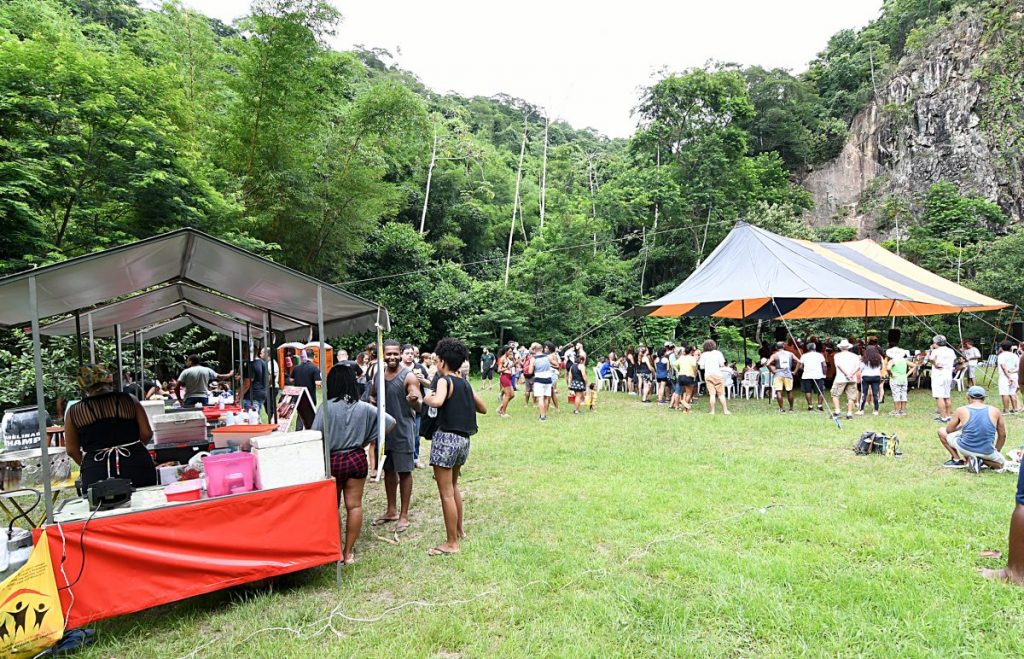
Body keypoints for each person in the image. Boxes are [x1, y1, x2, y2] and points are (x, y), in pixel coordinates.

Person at [311, 362, 395, 564]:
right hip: (357, 459)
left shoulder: (326, 408)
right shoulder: (363, 407)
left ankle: (336, 551)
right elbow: (390, 422)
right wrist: (368, 438)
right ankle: (349, 553)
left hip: (333, 460)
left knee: (333, 508)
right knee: (354, 506)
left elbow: (314, 434)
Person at [422, 338, 486, 556]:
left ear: (441, 362)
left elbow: (438, 401)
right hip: (463, 441)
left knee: (446, 493)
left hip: (446, 440)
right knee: (454, 486)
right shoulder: (465, 383)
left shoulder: (443, 380)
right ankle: (459, 531)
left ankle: (451, 543)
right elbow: (483, 408)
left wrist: (426, 397)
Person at [64, 364, 157, 491]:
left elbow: (71, 450)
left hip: (96, 470)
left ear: (83, 386)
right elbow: (146, 433)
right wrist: (132, 449)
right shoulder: (130, 400)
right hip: (135, 463)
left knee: (102, 508)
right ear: (108, 379)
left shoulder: (73, 412)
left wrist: (92, 464)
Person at [369, 339, 422, 534]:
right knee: (389, 471)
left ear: (400, 354)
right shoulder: (378, 375)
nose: (392, 357)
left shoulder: (408, 376)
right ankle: (391, 510)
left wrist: (413, 401)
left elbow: (419, 404)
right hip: (384, 434)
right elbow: (373, 396)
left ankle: (404, 515)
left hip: (402, 432)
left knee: (405, 472)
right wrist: (373, 403)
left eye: (395, 353)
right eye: (388, 354)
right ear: (383, 355)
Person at [938, 386, 1006, 472]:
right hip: (987, 451)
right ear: (984, 398)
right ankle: (981, 460)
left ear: (967, 397)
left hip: (965, 448)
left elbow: (948, 430)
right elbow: (1002, 435)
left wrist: (961, 425)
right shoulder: (995, 411)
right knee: (1001, 465)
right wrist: (996, 451)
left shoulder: (961, 410)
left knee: (941, 431)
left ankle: (957, 459)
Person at [404, 344, 431, 468]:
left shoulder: (420, 367)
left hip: (417, 406)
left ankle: (415, 458)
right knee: (403, 433)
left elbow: (430, 384)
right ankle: (404, 458)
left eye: (412, 353)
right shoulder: (398, 369)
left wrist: (422, 380)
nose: (410, 355)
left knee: (416, 434)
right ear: (401, 354)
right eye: (407, 353)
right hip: (402, 405)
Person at [528, 342, 559, 422]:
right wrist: (550, 365)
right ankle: (544, 414)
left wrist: (533, 367)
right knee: (546, 398)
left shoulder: (533, 358)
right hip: (548, 379)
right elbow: (557, 365)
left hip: (539, 379)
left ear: (534, 350)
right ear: (541, 349)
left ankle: (542, 417)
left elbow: (530, 372)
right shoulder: (548, 357)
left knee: (540, 398)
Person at [928, 335, 957, 423]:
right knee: (947, 395)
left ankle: (943, 417)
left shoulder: (936, 351)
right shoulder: (950, 351)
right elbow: (954, 360)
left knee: (939, 396)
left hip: (938, 375)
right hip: (948, 374)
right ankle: (948, 416)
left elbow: (931, 359)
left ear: (936, 343)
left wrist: (931, 353)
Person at [291, 350, 322, 430]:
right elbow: (318, 383)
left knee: (300, 414)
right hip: (309, 396)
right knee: (310, 416)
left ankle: (298, 430)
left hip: (298, 396)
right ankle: (311, 431)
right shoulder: (314, 368)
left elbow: (291, 379)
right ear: (314, 357)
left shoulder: (296, 368)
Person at [697, 340, 730, 415]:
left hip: (708, 376)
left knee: (712, 394)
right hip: (718, 375)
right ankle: (725, 410)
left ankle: (712, 411)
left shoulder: (703, 354)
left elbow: (701, 367)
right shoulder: (718, 353)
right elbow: (722, 364)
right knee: (721, 394)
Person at [831, 339, 861, 420]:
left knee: (835, 395)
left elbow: (839, 366)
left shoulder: (837, 355)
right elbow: (858, 366)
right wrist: (851, 374)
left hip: (840, 378)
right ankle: (849, 413)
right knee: (851, 397)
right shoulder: (855, 356)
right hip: (852, 378)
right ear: (848, 347)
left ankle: (837, 412)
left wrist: (846, 374)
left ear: (840, 347)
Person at [768, 342, 797, 413]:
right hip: (788, 373)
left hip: (778, 374)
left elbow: (768, 363)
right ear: (783, 346)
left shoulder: (775, 355)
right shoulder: (790, 354)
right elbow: (799, 361)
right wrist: (795, 371)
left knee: (778, 391)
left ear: (776, 348)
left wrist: (772, 371)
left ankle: (781, 409)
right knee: (789, 391)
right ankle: (791, 408)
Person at [856, 345, 884, 416]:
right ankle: (876, 410)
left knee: (864, 393)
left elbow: (861, 368)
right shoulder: (879, 358)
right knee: (875, 394)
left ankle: (861, 410)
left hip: (866, 377)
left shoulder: (864, 358)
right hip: (876, 376)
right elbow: (881, 367)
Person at [799, 342, 827, 412]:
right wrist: (824, 374)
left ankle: (810, 406)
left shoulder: (804, 356)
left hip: (807, 375)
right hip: (818, 375)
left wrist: (805, 369)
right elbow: (824, 365)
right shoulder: (820, 355)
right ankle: (820, 406)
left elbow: (800, 367)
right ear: (814, 348)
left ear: (808, 348)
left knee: (808, 391)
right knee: (820, 391)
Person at [887, 348, 915, 417]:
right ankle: (903, 411)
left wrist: (891, 373)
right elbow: (914, 366)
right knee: (903, 394)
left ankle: (897, 411)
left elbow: (888, 368)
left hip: (895, 379)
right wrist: (907, 374)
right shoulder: (904, 360)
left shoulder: (892, 360)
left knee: (896, 394)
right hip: (904, 379)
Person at [997, 341, 1020, 415]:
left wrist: (1008, 376)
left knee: (1005, 393)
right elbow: (1018, 367)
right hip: (1014, 375)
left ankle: (1006, 410)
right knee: (1013, 392)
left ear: (1001, 348)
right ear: (1010, 347)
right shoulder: (1015, 355)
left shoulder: (1001, 356)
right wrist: (1012, 372)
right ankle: (1015, 409)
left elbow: (1003, 367)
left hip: (1005, 376)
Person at [497, 345, 516, 417]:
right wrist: (506, 368)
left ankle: (500, 408)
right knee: (508, 395)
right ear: (506, 351)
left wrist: (513, 359)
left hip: (509, 377)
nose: (511, 352)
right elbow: (499, 370)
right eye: (510, 351)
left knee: (512, 395)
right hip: (504, 377)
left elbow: (513, 364)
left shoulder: (508, 358)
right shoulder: (502, 359)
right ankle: (503, 413)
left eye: (511, 351)